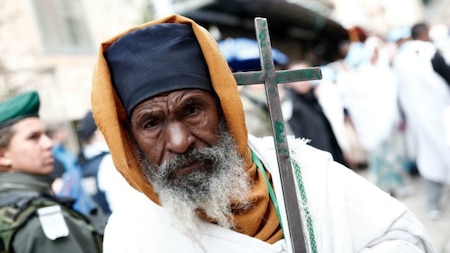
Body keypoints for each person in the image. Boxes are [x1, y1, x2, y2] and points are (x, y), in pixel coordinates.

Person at [92, 14, 436, 252]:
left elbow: (405, 236)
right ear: (129, 138)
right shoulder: (133, 237)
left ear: (224, 108)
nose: (180, 141)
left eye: (193, 110)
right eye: (151, 123)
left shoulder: (303, 170)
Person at [0, 91, 102, 253]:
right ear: (3, 155)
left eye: (46, 135)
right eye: (33, 137)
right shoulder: (39, 218)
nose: (49, 144)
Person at [393, 22, 450, 220]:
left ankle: (433, 206)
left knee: (429, 159)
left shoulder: (400, 58)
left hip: (418, 120)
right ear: (424, 34)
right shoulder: (430, 52)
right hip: (442, 115)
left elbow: (397, 92)